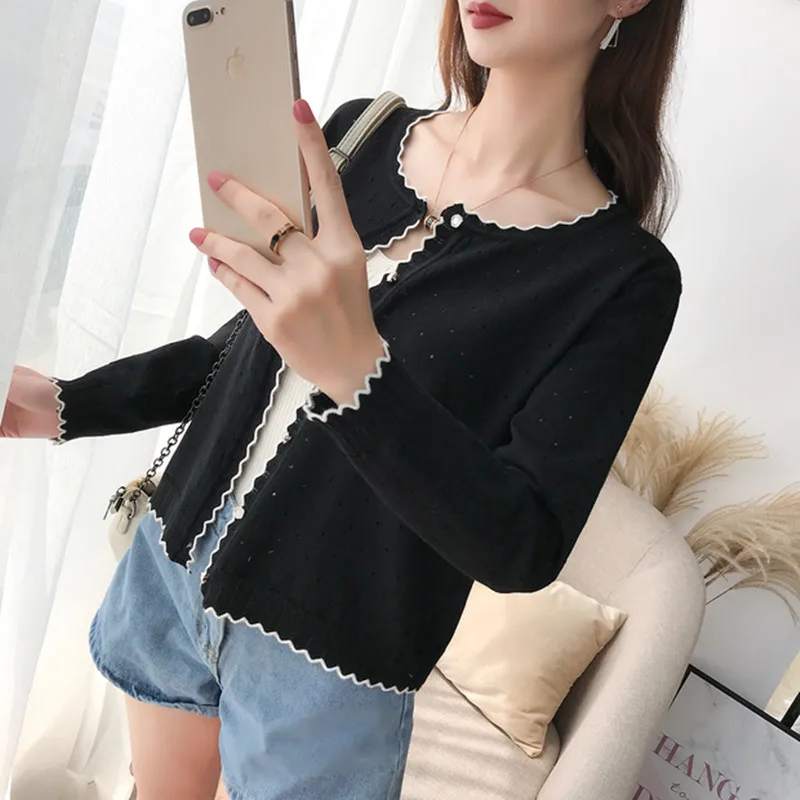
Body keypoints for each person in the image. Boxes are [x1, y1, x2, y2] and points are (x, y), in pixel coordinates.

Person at [1, 1, 687, 798]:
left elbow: (522, 544)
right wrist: (68, 403)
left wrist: (360, 372)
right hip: (176, 559)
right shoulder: (362, 134)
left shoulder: (619, 278)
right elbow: (240, 355)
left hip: (327, 666)